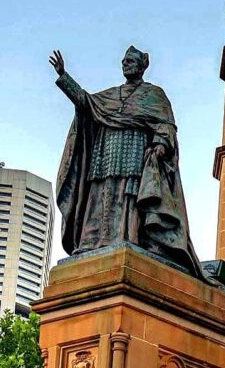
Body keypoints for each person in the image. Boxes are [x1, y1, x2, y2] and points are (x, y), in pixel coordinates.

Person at [49, 47, 205, 278]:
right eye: (124, 61)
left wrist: (161, 144)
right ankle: (94, 242)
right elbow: (86, 102)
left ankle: (127, 237)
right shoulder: (110, 95)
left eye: (131, 61)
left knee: (127, 197)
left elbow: (166, 125)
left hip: (134, 154)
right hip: (105, 155)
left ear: (142, 66)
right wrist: (64, 75)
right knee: (99, 197)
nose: (125, 64)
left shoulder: (154, 95)